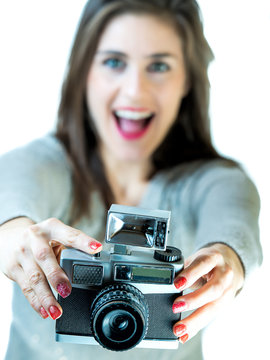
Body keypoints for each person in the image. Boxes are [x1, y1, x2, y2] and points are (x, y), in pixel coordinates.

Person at [0, 0, 262, 359]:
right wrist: (12, 231)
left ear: (187, 78)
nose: (134, 91)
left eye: (159, 65)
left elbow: (235, 217)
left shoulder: (215, 181)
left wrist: (227, 260)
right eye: (113, 62)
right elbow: (14, 180)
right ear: (83, 71)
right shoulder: (46, 164)